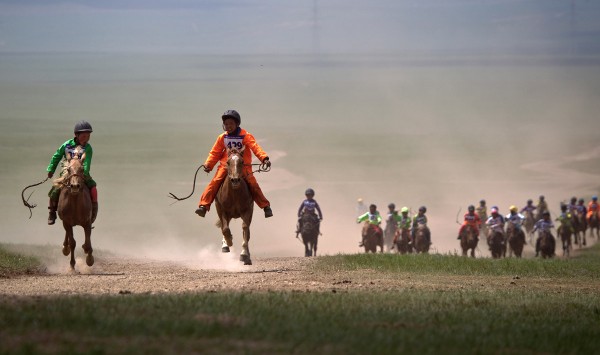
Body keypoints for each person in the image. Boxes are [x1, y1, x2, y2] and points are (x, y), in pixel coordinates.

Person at [195, 110, 272, 218]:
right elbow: (215, 152)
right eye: (226, 124)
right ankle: (203, 206)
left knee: (253, 184)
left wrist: (264, 158)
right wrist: (208, 164)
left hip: (243, 166)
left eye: (231, 124)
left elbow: (255, 147)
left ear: (237, 124)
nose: (228, 126)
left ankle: (265, 207)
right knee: (215, 182)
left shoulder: (245, 135)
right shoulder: (222, 137)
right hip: (226, 165)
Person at [46, 120, 98, 226]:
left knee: (93, 189)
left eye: (88, 135)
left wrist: (83, 172)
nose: (86, 138)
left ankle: (92, 214)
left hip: (82, 172)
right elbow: (56, 156)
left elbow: (87, 161)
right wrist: (51, 169)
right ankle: (52, 212)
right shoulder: (67, 145)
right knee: (54, 190)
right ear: (76, 135)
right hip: (67, 171)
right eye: (84, 135)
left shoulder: (88, 148)